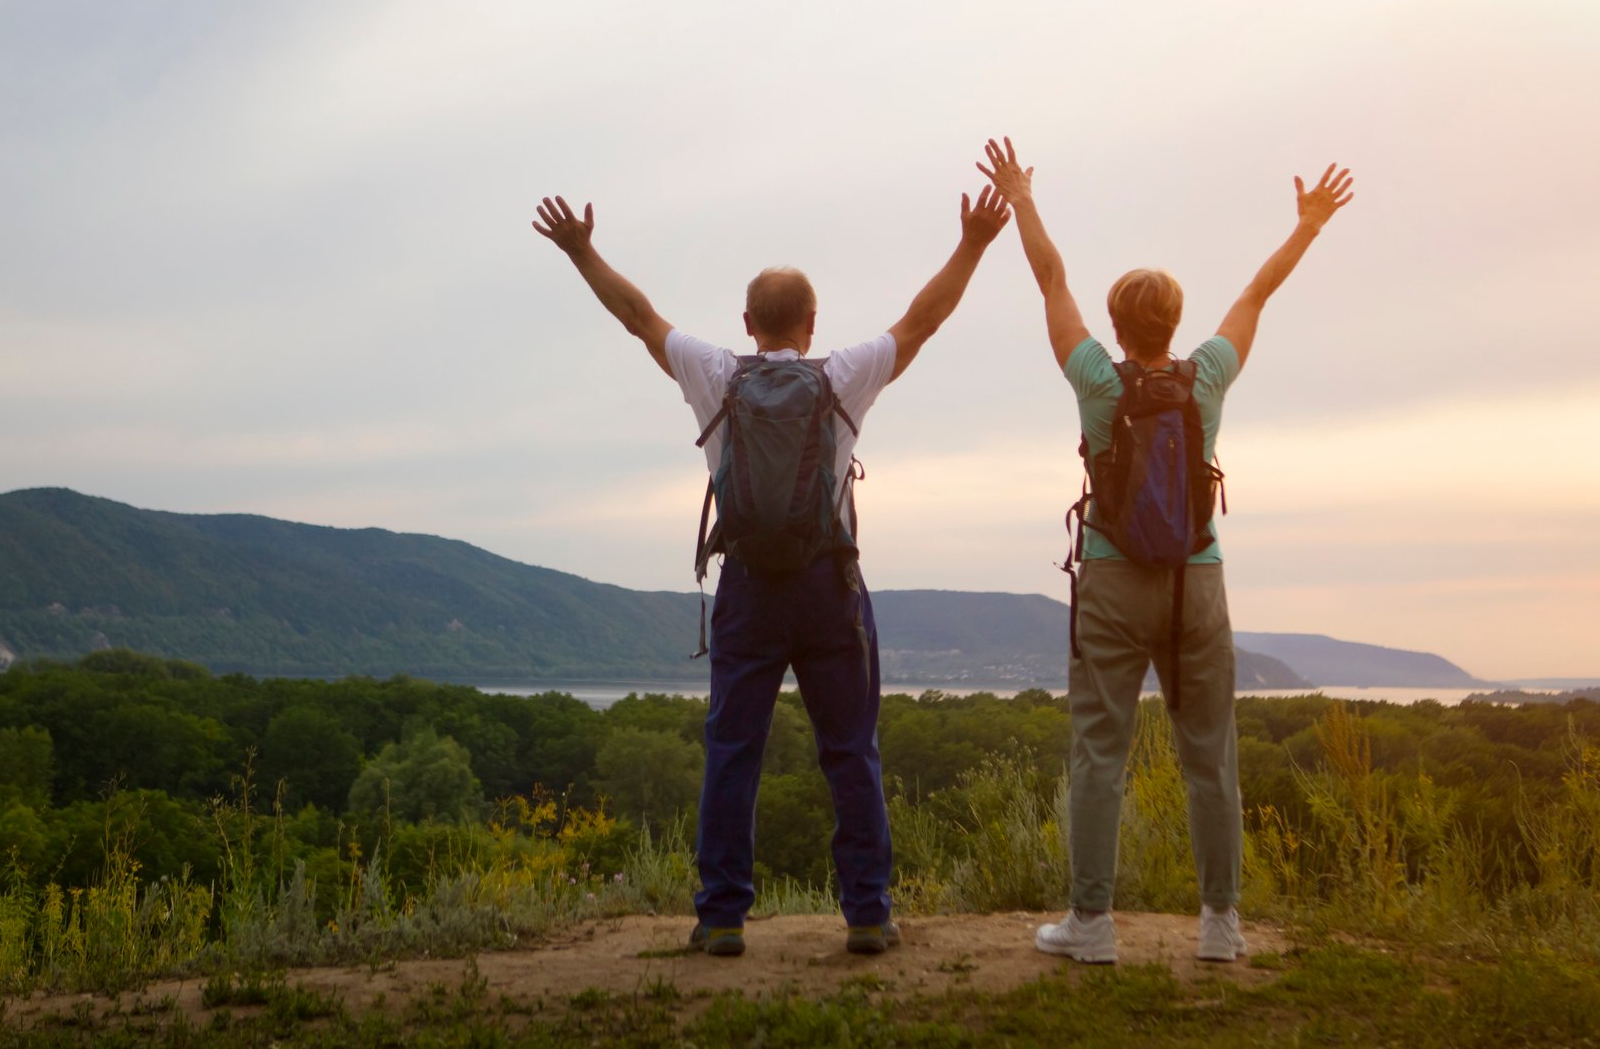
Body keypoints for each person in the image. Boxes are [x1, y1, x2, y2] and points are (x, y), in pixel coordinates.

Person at [531, 184, 1011, 957]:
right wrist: (975, 243)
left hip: (749, 589)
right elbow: (923, 321)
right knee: (849, 750)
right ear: (812, 325)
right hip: (829, 589)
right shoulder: (845, 375)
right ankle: (867, 915)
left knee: (733, 750)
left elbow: (638, 318)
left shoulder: (715, 373)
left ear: (747, 324)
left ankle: (721, 915)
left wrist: (581, 250)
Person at [974, 137, 1354, 966]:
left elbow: (1050, 279)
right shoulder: (1207, 375)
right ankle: (1220, 925)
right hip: (1196, 581)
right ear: (1175, 323)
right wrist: (1308, 226)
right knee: (1208, 756)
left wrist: (1022, 199)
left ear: (1114, 325)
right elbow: (1257, 291)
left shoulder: (1096, 381)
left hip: (1112, 581)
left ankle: (1092, 925)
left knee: (1098, 754)